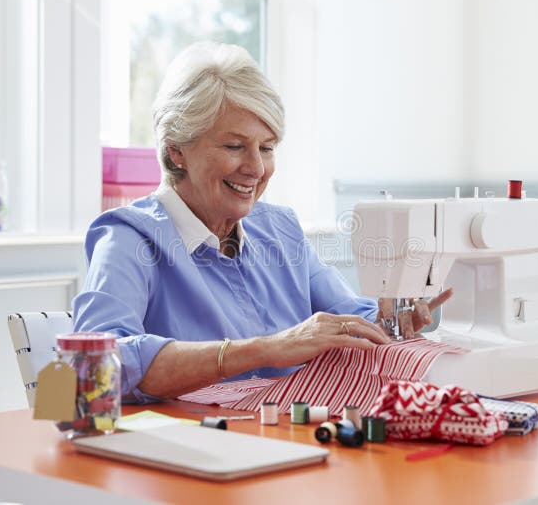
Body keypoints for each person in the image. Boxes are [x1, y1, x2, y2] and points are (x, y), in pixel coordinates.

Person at [73, 42, 452, 403]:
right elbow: (96, 366)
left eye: (267, 148)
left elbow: (348, 315)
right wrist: (268, 348)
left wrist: (390, 320)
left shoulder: (280, 230)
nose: (256, 168)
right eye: (234, 146)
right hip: (189, 453)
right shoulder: (127, 238)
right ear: (177, 150)